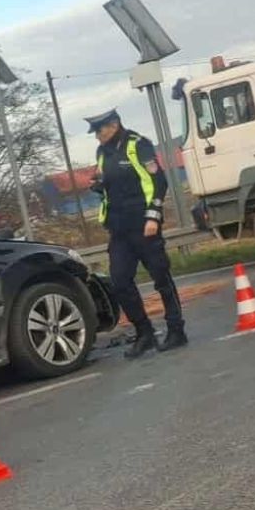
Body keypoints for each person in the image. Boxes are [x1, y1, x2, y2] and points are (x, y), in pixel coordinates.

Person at [87, 108, 186, 358]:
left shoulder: (138, 144)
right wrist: (98, 186)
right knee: (120, 282)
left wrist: (153, 216)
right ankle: (145, 333)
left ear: (114, 125)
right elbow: (108, 185)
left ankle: (176, 329)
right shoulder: (102, 152)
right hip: (119, 229)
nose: (97, 136)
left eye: (99, 130)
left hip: (144, 224)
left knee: (161, 278)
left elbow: (158, 182)